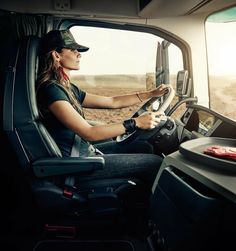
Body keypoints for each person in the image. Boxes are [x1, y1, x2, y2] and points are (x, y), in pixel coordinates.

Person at [36, 29, 168, 197]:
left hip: (84, 152)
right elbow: (88, 133)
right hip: (77, 165)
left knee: (145, 146)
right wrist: (135, 123)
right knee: (155, 163)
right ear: (56, 55)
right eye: (73, 50)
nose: (79, 54)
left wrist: (150, 94)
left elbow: (113, 102)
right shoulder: (51, 90)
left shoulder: (67, 87)